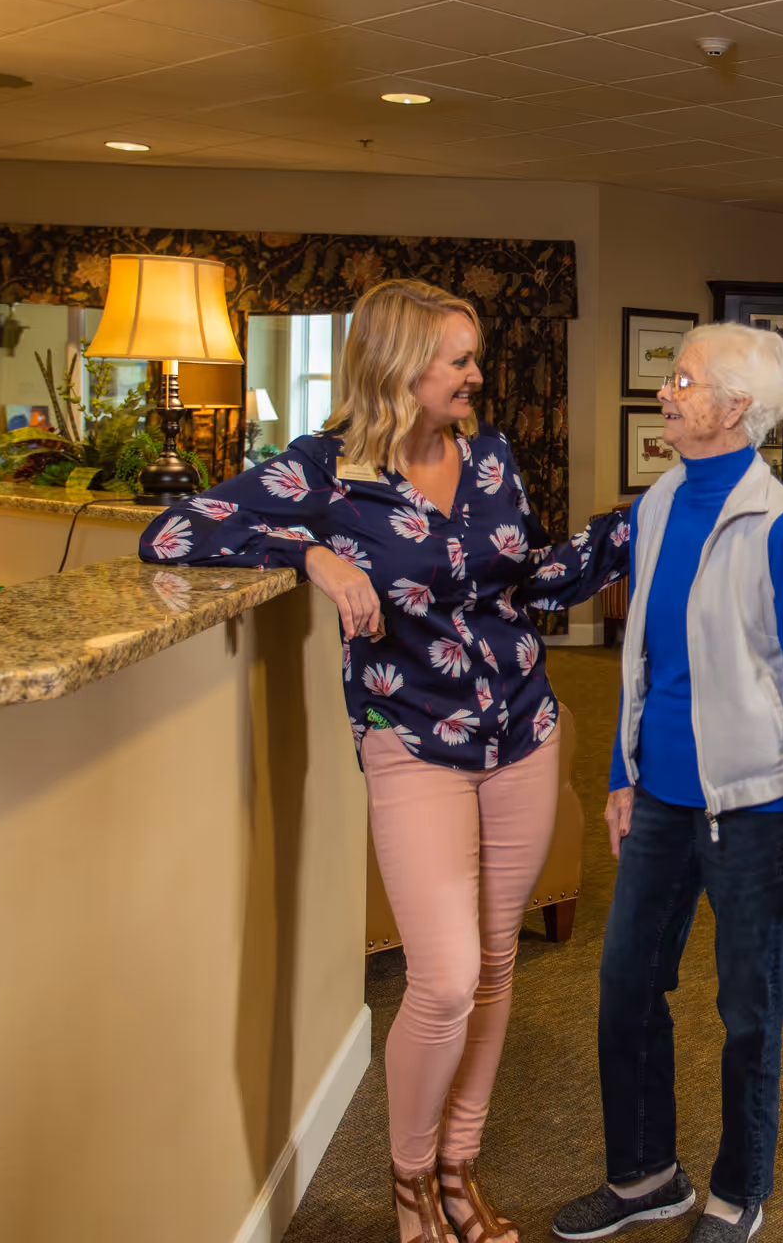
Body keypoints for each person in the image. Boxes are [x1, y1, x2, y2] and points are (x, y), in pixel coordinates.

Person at [139, 278, 630, 1243]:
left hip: (523, 729)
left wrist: (636, 528)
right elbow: (173, 529)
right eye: (460, 359)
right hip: (412, 742)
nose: (477, 376)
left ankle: (459, 1170)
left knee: (494, 965)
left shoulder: (489, 456)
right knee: (443, 977)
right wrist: (310, 557)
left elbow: (524, 580)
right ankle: (409, 1183)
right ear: (400, 365)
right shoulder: (325, 471)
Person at [552, 323, 783, 1243]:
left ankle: (737, 1185)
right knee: (626, 986)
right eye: (668, 378)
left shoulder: (781, 526)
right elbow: (640, 657)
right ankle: (644, 1175)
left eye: (682, 379)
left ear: (733, 407)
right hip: (662, 798)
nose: (664, 393)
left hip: (752, 805)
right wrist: (621, 773)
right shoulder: (658, 504)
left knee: (747, 1008)